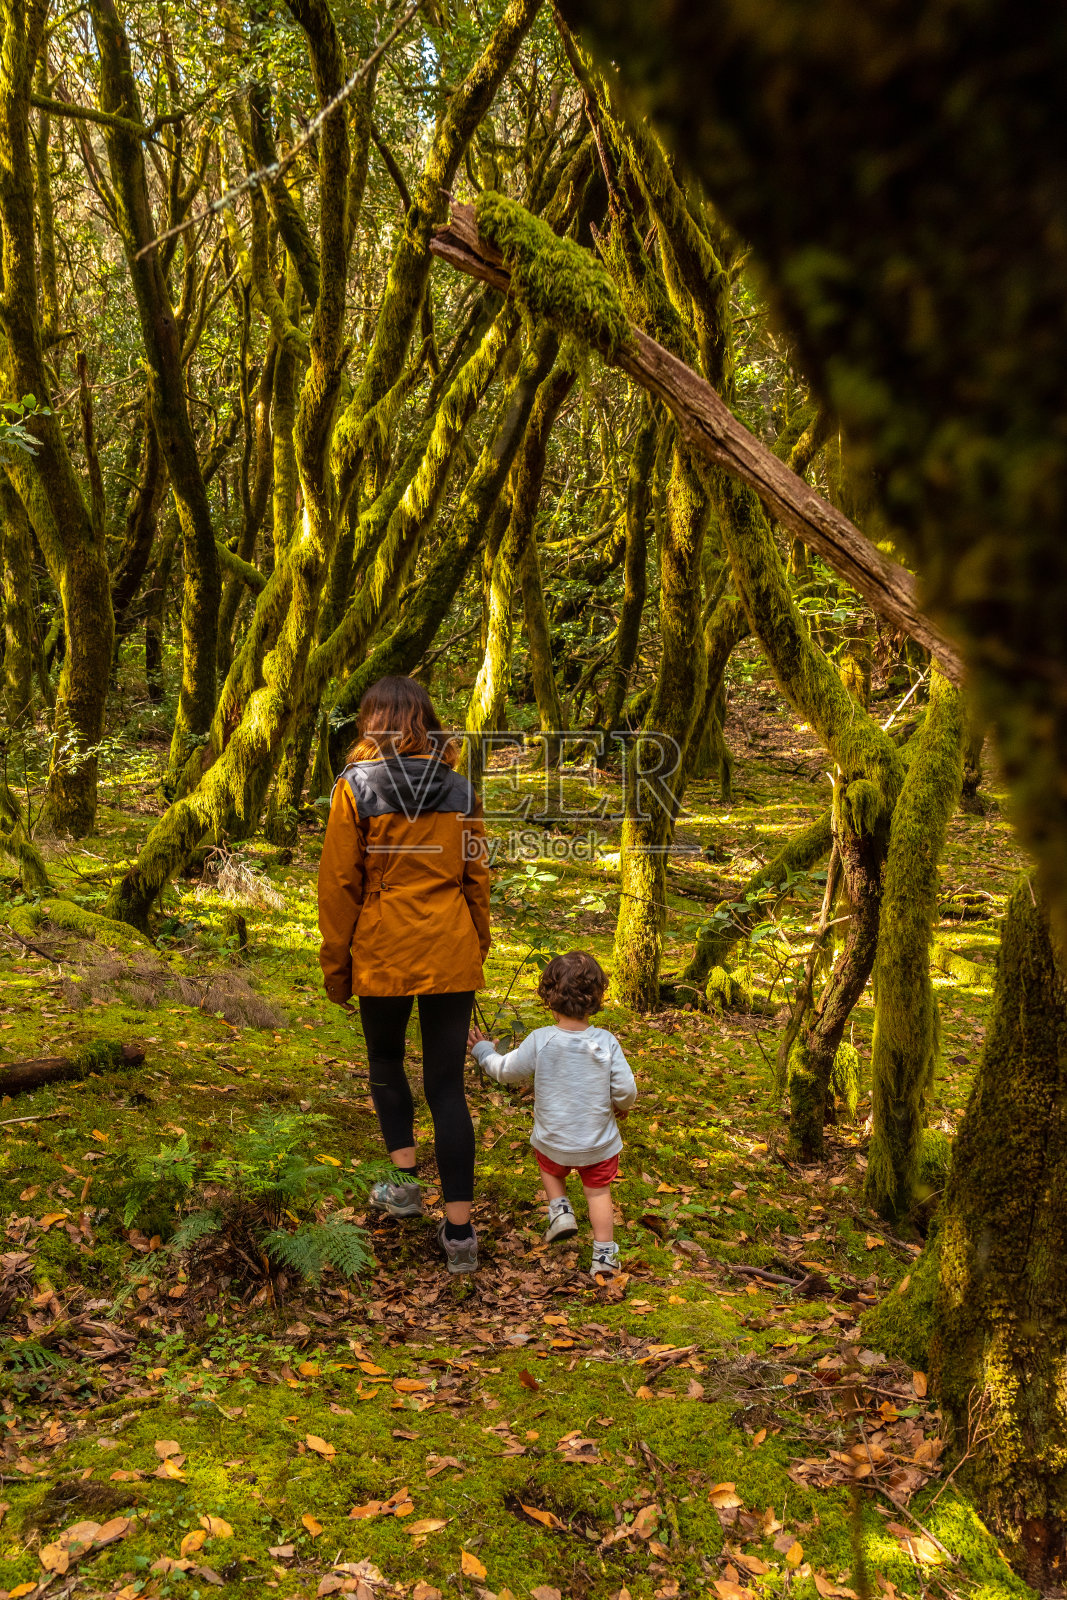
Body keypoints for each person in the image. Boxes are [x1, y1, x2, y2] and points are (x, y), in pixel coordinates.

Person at [317, 675, 490, 1274]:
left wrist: (336, 966)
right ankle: (461, 1234)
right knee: (448, 1086)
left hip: (383, 947)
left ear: (373, 722)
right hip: (449, 946)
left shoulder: (354, 788)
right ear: (425, 720)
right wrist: (477, 947)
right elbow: (476, 878)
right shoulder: (461, 788)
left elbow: (341, 883)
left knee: (386, 1061)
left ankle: (405, 1184)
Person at [467, 950, 636, 1279]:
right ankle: (603, 1256)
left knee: (549, 1165)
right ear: (597, 996)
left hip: (552, 1141)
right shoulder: (605, 1042)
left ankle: (560, 1210)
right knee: (598, 1192)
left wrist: (482, 1049)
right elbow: (626, 1090)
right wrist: (622, 1106)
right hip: (597, 1145)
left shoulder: (541, 1040)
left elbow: (504, 1071)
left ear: (548, 995)